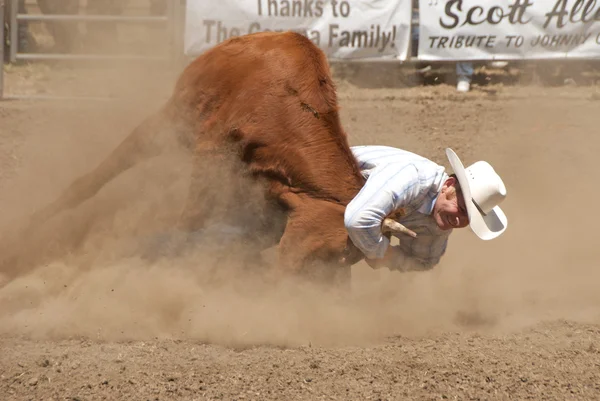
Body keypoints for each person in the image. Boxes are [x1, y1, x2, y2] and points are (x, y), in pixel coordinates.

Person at [344, 146, 507, 272]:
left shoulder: (438, 224)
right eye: (462, 209)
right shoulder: (414, 179)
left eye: (469, 219)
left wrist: (389, 257)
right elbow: (357, 220)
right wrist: (382, 253)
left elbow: (423, 262)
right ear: (448, 186)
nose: (458, 221)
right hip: (326, 181)